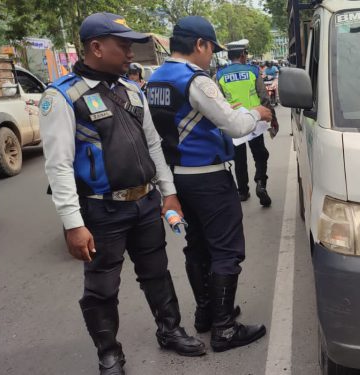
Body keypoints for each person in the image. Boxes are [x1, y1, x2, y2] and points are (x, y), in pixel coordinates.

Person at [39, 12, 205, 375]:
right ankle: (109, 353)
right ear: (96, 47)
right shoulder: (64, 96)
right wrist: (72, 224)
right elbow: (59, 165)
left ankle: (170, 330)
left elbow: (154, 145)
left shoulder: (131, 91)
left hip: (145, 203)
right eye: (122, 45)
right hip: (102, 212)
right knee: (101, 288)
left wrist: (169, 193)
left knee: (157, 272)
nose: (130, 52)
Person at [146, 16, 273, 353]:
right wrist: (259, 112)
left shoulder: (156, 78)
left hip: (178, 177)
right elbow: (233, 126)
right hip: (208, 177)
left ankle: (206, 313)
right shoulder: (196, 80)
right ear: (200, 45)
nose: (211, 57)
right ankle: (225, 328)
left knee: (197, 245)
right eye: (210, 49)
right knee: (227, 250)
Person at [216, 39, 277, 206]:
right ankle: (260, 183)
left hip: (234, 123)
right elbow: (264, 96)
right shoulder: (253, 71)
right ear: (243, 55)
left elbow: (218, 102)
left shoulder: (220, 75)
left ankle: (243, 191)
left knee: (239, 159)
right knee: (260, 155)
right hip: (254, 121)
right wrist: (272, 117)